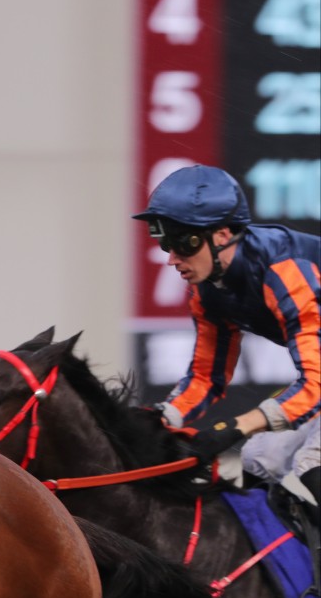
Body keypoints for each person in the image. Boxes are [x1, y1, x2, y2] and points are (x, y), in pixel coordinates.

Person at [134, 164, 320, 507]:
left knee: (313, 463)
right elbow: (207, 377)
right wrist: (160, 417)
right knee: (258, 459)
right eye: (165, 244)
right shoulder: (207, 290)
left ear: (222, 235)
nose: (172, 259)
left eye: (183, 243)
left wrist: (237, 426)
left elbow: (314, 386)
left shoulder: (285, 271)